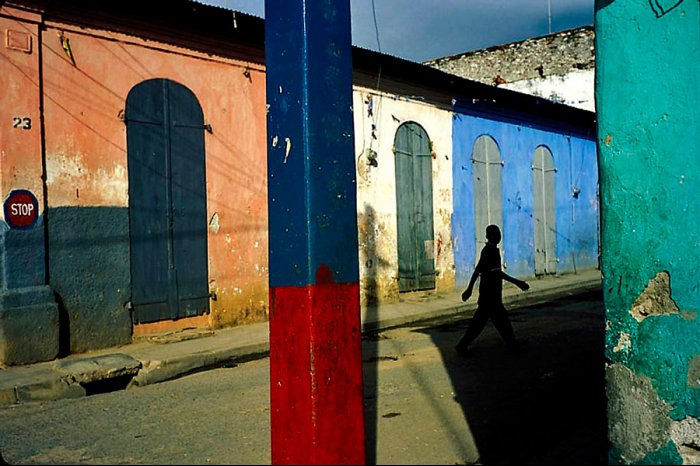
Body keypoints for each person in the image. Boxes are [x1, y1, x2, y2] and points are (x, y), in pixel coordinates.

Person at [456, 224, 529, 356]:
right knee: (489, 322)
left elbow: (477, 271)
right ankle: (463, 345)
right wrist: (517, 282)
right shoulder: (491, 252)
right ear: (490, 236)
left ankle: (511, 343)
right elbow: (497, 273)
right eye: (496, 234)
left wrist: (469, 289)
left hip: (489, 294)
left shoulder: (488, 251)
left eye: (498, 233)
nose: (499, 236)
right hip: (490, 295)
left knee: (489, 322)